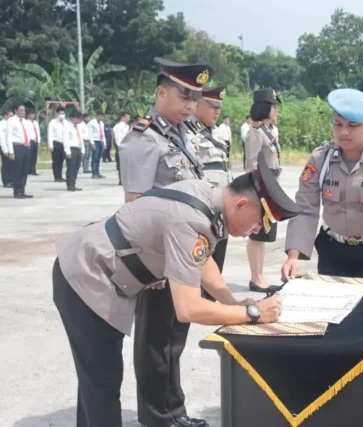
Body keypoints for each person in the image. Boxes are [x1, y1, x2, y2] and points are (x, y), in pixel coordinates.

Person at [53, 152, 301, 427]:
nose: (254, 231)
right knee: (103, 381)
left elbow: (201, 257)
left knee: (96, 379)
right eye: (257, 223)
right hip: (87, 276)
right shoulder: (192, 220)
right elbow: (188, 308)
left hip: (105, 272)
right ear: (242, 203)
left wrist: (232, 302)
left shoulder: (211, 197)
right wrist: (252, 313)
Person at [119, 57, 216, 427]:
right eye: (184, 97)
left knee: (174, 337)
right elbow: (135, 205)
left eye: (195, 99)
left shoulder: (180, 134)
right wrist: (148, 263)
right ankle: (158, 416)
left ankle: (174, 410)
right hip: (158, 258)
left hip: (181, 254)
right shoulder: (142, 140)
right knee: (155, 341)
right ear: (161, 93)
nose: (191, 106)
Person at [281, 88, 363, 287]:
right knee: (332, 313)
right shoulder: (320, 158)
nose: (343, 132)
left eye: (352, 125)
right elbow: (305, 208)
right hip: (332, 252)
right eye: (338, 124)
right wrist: (293, 255)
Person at [185, 84, 233, 288]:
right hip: (201, 219)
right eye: (212, 105)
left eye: (219, 106)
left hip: (220, 218)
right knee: (196, 280)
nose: (217, 111)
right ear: (197, 104)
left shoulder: (217, 134)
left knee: (215, 279)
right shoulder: (186, 135)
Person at [242, 89, 282, 291]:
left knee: (265, 234)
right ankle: (255, 278)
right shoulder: (255, 132)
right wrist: (258, 192)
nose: (276, 110)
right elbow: (251, 165)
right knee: (257, 234)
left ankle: (260, 276)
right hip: (261, 188)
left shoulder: (268, 130)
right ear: (264, 107)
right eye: (273, 106)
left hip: (271, 185)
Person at [5, 104, 34, 199]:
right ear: (16, 110)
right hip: (17, 147)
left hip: (25, 146)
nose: (23, 112)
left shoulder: (25, 122)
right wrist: (11, 152)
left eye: (24, 110)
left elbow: (27, 134)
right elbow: (8, 137)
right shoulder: (11, 121)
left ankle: (22, 190)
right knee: (17, 170)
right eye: (21, 110)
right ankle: (17, 191)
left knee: (24, 170)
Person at [63, 110, 85, 192]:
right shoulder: (67, 127)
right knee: (71, 167)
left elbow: (81, 139)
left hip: (78, 148)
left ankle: (73, 183)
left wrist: (83, 150)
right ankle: (69, 184)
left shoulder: (79, 127)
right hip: (71, 148)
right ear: (72, 118)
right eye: (77, 118)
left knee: (76, 167)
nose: (78, 120)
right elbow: (66, 140)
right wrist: (67, 151)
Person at [48, 106, 67, 183]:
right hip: (56, 143)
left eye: (63, 113)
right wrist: (50, 145)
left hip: (64, 143)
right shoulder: (53, 122)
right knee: (56, 161)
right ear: (57, 113)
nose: (61, 115)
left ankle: (60, 176)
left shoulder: (66, 122)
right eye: (60, 113)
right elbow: (50, 134)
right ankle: (57, 176)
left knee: (61, 161)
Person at [112, 112, 131, 186]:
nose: (128, 119)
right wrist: (121, 147)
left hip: (127, 147)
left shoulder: (127, 126)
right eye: (127, 117)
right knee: (121, 165)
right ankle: (121, 180)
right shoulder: (119, 126)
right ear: (123, 117)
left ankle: (125, 179)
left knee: (126, 165)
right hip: (121, 147)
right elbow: (118, 138)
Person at [88, 111, 106, 179]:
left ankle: (98, 172)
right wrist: (92, 143)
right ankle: (94, 173)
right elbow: (90, 133)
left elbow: (103, 133)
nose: (101, 118)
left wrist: (104, 143)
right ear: (97, 116)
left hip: (100, 141)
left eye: (102, 116)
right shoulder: (91, 123)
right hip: (95, 141)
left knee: (99, 158)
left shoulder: (102, 123)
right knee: (94, 157)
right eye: (100, 116)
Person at [0, 110, 14, 188]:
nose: (11, 117)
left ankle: (11, 180)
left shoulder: (11, 124)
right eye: (10, 116)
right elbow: (1, 138)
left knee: (11, 164)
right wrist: (5, 150)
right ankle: (6, 181)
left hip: (11, 146)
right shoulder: (2, 124)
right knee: (6, 165)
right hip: (5, 146)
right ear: (5, 115)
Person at [26, 110, 41, 176]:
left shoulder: (36, 123)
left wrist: (39, 141)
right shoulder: (26, 122)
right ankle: (28, 170)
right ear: (28, 115)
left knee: (35, 156)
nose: (32, 116)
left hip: (35, 140)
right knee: (30, 156)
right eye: (30, 114)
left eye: (33, 114)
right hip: (30, 141)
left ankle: (33, 170)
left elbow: (38, 132)